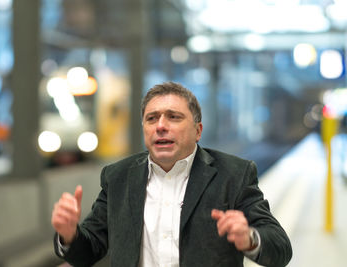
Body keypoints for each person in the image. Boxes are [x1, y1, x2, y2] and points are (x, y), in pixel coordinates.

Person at [51, 82, 292, 267]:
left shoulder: (233, 175)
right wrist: (70, 234)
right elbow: (88, 251)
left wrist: (249, 237)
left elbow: (280, 248)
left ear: (198, 131)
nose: (161, 126)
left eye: (173, 117)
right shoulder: (118, 178)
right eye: (152, 118)